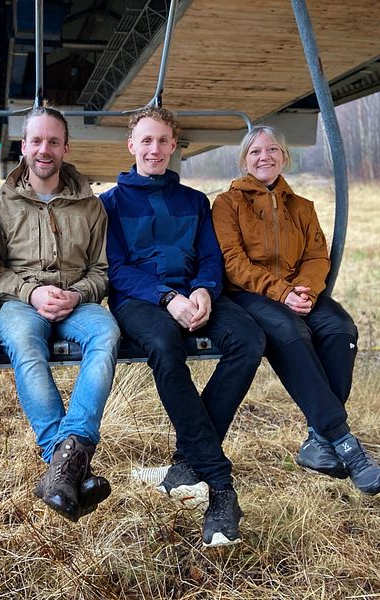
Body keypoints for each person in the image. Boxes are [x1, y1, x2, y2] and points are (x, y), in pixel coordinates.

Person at [100, 107, 265, 547]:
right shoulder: (111, 204)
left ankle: (186, 461)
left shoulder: (194, 201)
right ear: (132, 145)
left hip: (195, 293)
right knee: (164, 343)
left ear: (174, 147)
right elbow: (115, 269)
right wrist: (166, 298)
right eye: (146, 141)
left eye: (163, 141)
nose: (154, 149)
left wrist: (205, 290)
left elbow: (211, 256)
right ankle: (221, 486)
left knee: (248, 339)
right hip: (141, 301)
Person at [211, 125, 380, 496]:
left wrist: (304, 289)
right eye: (255, 151)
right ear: (244, 160)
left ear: (284, 157)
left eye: (272, 150)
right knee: (291, 332)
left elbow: (318, 255)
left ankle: (318, 442)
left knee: (340, 330)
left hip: (297, 291)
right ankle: (345, 443)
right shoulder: (227, 204)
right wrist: (281, 292)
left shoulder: (302, 207)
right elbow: (231, 262)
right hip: (249, 293)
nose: (264, 157)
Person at [0, 106, 120, 523]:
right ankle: (65, 462)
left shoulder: (91, 207)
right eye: (36, 141)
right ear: (23, 146)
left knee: (106, 334)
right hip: (21, 303)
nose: (44, 149)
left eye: (53, 141)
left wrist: (77, 294)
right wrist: (31, 294)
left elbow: (102, 272)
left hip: (76, 303)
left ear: (66, 147)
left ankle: (62, 464)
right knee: (25, 344)